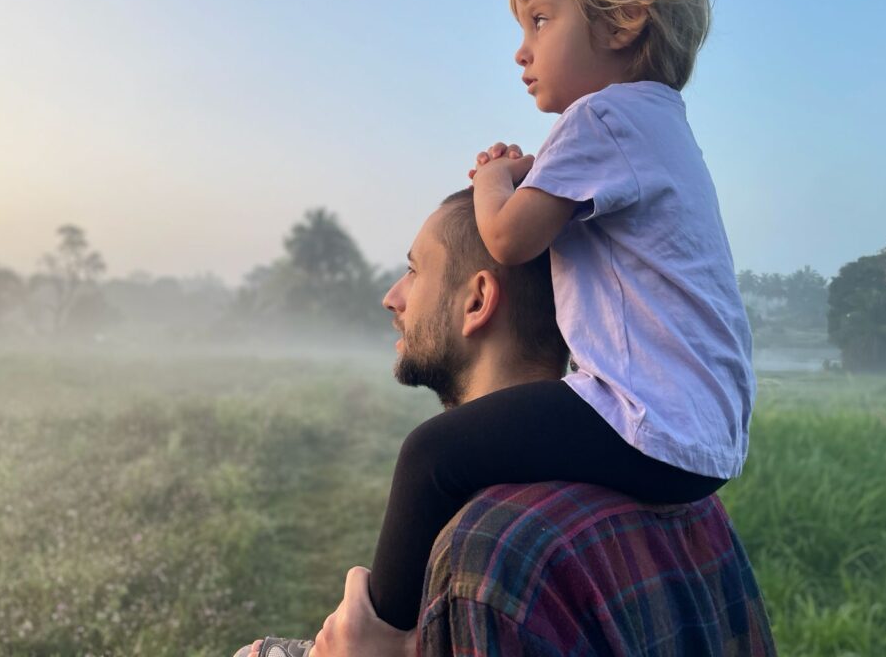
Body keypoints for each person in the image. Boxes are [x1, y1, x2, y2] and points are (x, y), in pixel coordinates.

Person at [242, 0, 755, 653]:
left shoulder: (604, 119)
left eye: (541, 20)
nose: (522, 50)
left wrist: (493, 176)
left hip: (646, 420)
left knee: (432, 455)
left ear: (624, 21)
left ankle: (374, 639)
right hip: (702, 437)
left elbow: (510, 239)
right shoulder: (663, 126)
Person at [238, 189, 773, 657]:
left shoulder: (492, 550)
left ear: (477, 300)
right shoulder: (692, 500)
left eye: (414, 270)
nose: (392, 297)